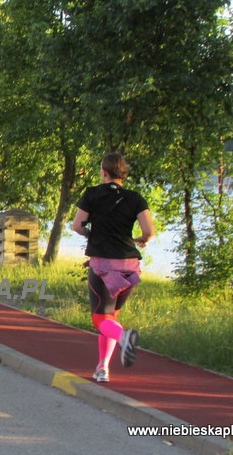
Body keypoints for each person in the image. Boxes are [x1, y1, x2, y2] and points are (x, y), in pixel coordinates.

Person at [72, 152, 155, 384]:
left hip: (103, 266)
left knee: (100, 320)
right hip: (129, 266)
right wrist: (143, 240)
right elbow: (149, 230)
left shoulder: (92, 194)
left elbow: (77, 225)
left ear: (103, 172)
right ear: (123, 174)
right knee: (110, 318)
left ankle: (124, 338)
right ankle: (102, 368)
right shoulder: (135, 198)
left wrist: (89, 233)